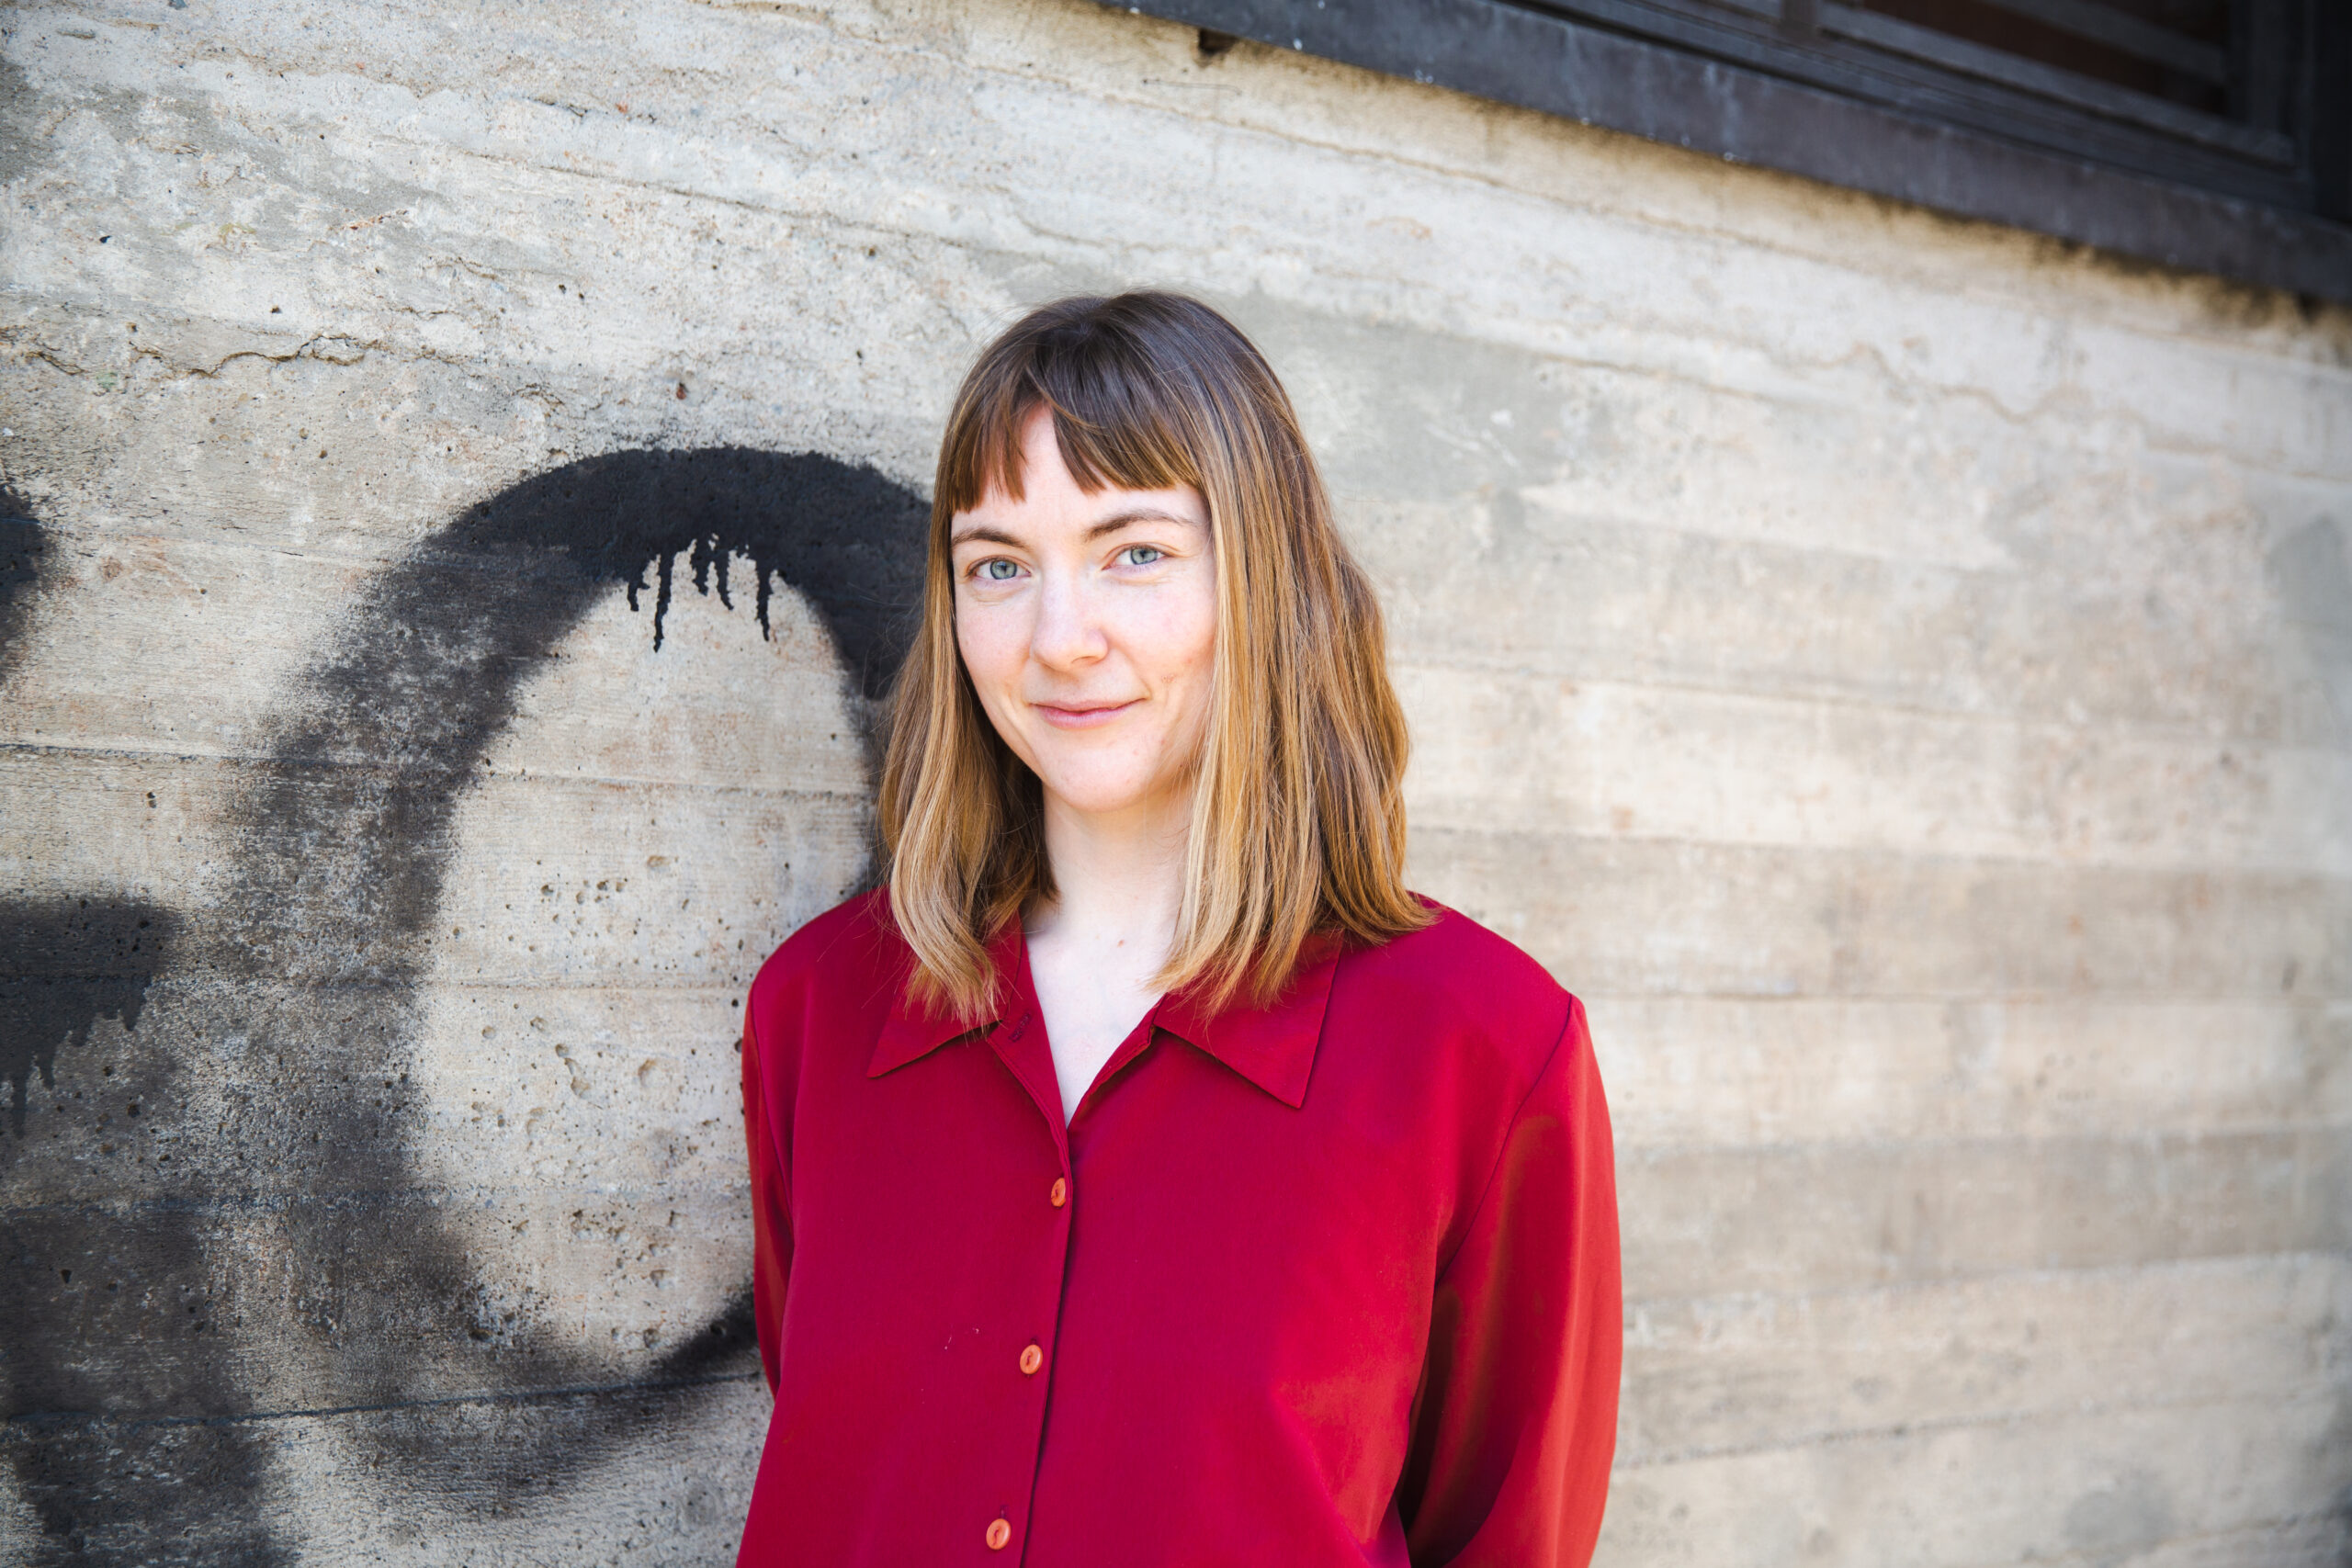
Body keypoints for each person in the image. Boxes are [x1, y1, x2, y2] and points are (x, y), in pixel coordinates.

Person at [735, 292, 1620, 1565]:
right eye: (998, 565)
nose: (1057, 639)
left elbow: (1508, 1535)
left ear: (1262, 580)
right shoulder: (819, 1009)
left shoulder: (1485, 1048)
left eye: (1133, 552)